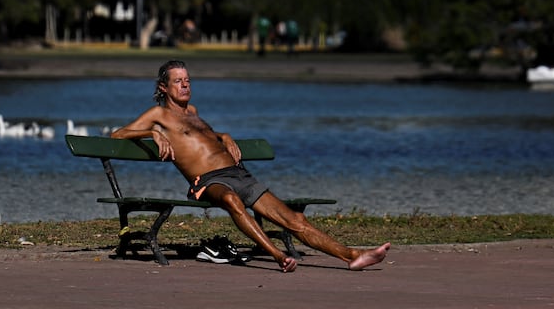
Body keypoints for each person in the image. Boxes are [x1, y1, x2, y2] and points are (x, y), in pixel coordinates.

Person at [111, 59, 391, 273]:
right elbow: (118, 134)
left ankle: (353, 256)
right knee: (232, 201)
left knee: (295, 220)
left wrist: (225, 136)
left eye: (187, 80)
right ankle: (278, 256)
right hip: (208, 182)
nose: (185, 85)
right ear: (164, 87)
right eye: (178, 81)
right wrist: (152, 133)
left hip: (238, 173)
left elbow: (204, 138)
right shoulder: (158, 114)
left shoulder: (193, 112)